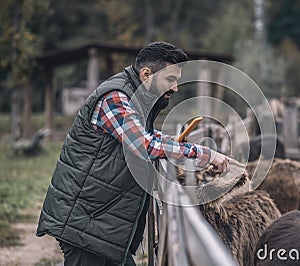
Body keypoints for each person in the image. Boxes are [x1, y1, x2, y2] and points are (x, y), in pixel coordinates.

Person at [36, 42, 229, 265]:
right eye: (170, 79)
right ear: (146, 74)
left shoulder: (134, 97)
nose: (176, 87)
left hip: (99, 221)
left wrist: (186, 148)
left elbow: (147, 136)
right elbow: (144, 145)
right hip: (85, 222)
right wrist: (202, 154)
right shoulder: (115, 98)